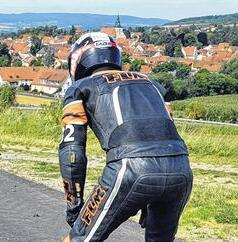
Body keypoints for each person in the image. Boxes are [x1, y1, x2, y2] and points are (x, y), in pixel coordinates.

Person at [59, 32, 192, 242]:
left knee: (78, 239)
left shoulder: (79, 88)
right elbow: (165, 134)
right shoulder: (153, 85)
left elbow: (71, 154)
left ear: (78, 59)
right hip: (181, 168)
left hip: (129, 167)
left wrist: (74, 208)